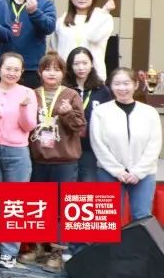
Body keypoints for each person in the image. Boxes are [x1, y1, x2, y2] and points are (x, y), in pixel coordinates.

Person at [24, 52, 85, 273]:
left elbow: (80, 127)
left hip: (64, 160)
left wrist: (68, 114)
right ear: (40, 72)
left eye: (57, 69)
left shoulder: (71, 95)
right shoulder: (32, 94)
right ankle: (38, 246)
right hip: (37, 159)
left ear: (63, 73)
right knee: (38, 205)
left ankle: (57, 251)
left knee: (61, 208)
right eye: (47, 69)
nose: (52, 73)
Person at [0, 53, 38, 269]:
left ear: (22, 72)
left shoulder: (28, 93)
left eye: (16, 70)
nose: (12, 73)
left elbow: (29, 126)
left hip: (17, 151)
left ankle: (9, 251)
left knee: (15, 201)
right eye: (8, 68)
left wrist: (23, 108)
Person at [90, 68, 161, 222]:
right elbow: (98, 144)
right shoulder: (100, 112)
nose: (122, 88)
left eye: (126, 83)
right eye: (117, 84)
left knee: (142, 218)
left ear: (135, 85)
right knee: (108, 219)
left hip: (143, 174)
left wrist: (138, 172)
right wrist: (117, 171)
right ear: (110, 86)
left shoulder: (149, 112)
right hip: (109, 173)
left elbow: (154, 145)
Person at [3, 0, 56, 89]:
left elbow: (49, 27)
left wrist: (34, 12)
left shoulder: (45, 3)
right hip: (6, 67)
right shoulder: (2, 2)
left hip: (32, 68)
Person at [63, 47, 112, 182]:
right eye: (76, 64)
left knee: (87, 187)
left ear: (91, 64)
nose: (81, 67)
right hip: (66, 146)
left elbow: (107, 119)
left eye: (85, 63)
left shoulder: (102, 90)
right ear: (70, 66)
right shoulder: (64, 89)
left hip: (91, 148)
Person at [51, 0, 115, 79]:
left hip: (93, 75)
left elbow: (94, 38)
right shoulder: (61, 21)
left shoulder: (104, 18)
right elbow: (54, 48)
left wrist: (105, 11)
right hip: (66, 75)